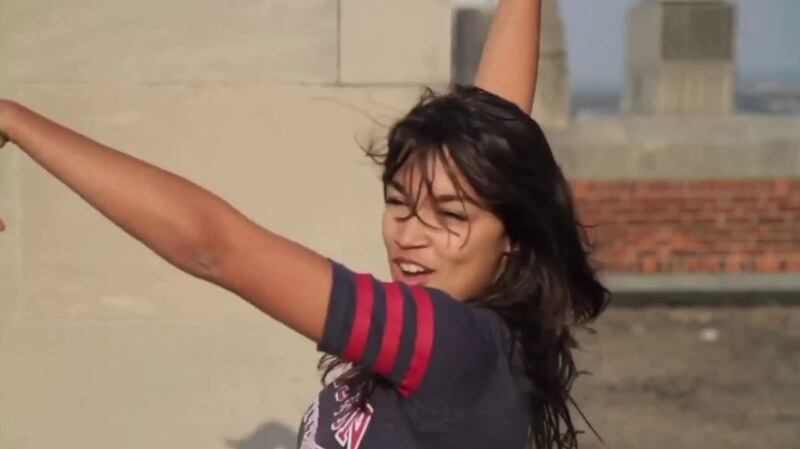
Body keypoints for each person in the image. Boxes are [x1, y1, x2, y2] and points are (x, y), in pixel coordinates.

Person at [0, 0, 610, 448]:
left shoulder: (452, 342)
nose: (410, 235)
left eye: (450, 216)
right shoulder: (482, 334)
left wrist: (14, 120)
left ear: (513, 238)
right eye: (398, 202)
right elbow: (499, 129)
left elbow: (215, 248)